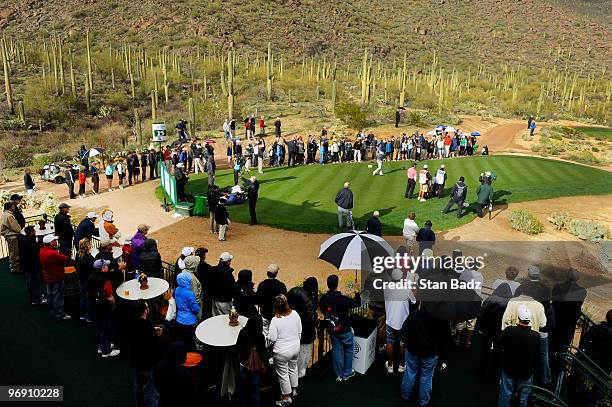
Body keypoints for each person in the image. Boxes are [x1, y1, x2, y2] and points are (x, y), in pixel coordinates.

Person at [400, 307, 449, 406]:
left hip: (413, 350)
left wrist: (405, 342)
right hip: (430, 354)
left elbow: (404, 330)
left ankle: (405, 395)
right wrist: (443, 358)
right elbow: (445, 341)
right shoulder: (443, 320)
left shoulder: (415, 314)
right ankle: (424, 401)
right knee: (426, 377)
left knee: (410, 373)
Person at [497, 306, 541, 407]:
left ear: (519, 318)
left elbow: (498, 345)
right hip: (526, 372)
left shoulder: (509, 331)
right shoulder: (535, 336)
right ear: (529, 320)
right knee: (523, 398)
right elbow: (538, 357)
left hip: (509, 369)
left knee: (506, 394)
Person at [319, 274, 360, 382]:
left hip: (332, 329)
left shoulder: (324, 297)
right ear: (337, 284)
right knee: (349, 349)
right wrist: (356, 291)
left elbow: (323, 310)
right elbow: (357, 303)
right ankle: (347, 372)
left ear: (328, 285)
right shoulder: (343, 299)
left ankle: (338, 375)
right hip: (345, 329)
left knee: (336, 349)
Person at [268, 294, 302, 407]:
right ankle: (294, 389)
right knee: (293, 367)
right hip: (295, 348)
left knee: (283, 375)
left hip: (282, 352)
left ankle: (286, 397)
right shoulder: (295, 314)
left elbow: (272, 338)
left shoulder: (275, 320)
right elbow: (299, 331)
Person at [128, 301, 162, 407]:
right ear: (144, 311)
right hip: (148, 365)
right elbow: (155, 347)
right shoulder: (147, 327)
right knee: (150, 392)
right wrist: (157, 336)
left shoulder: (130, 324)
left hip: (135, 363)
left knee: (138, 388)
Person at [287, 278, 319, 379]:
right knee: (304, 352)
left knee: (297, 352)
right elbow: (311, 316)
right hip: (306, 331)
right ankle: (300, 373)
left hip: (294, 328)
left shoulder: (296, 292)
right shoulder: (310, 298)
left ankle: (295, 372)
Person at [384, 269, 413, 374]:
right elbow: (413, 301)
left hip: (390, 320)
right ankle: (402, 365)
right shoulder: (406, 289)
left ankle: (390, 366)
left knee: (390, 343)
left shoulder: (386, 288)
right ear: (401, 278)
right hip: (403, 322)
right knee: (402, 344)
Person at [551, 269, 586, 354]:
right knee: (564, 347)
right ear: (577, 279)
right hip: (569, 324)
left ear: (567, 276)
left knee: (551, 345)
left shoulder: (558, 286)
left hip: (556, 320)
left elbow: (554, 300)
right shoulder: (582, 291)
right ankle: (559, 364)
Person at [237, 314, 267, 407]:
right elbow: (263, 352)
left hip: (243, 364)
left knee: (243, 388)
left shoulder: (243, 332)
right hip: (256, 367)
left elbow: (238, 347)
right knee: (255, 390)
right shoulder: (260, 336)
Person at [154, 343, 197, 407]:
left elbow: (157, 385)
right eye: (184, 353)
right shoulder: (185, 375)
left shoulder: (159, 366)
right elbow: (191, 396)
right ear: (180, 356)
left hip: (164, 400)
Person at [40, 235, 71, 319]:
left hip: (48, 276)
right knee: (58, 295)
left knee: (50, 294)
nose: (56, 242)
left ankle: (52, 310)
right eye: (54, 240)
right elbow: (65, 258)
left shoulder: (42, 251)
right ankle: (59, 313)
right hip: (57, 277)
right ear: (51, 243)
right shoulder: (53, 253)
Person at [257, 264, 288, 337]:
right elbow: (284, 300)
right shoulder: (281, 285)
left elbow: (258, 299)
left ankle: (266, 347)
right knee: (277, 334)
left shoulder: (262, 285)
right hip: (277, 314)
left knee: (265, 333)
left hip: (265, 313)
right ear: (276, 274)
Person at [174, 272, 200, 350]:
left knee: (182, 341)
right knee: (190, 342)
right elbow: (196, 309)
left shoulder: (177, 290)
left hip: (179, 319)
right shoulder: (190, 294)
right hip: (189, 321)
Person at [21, 225, 45, 305]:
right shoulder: (32, 244)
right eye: (34, 230)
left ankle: (36, 296)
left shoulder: (25, 240)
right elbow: (36, 255)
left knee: (31, 282)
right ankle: (36, 299)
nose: (35, 231)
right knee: (34, 282)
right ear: (31, 233)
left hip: (27, 266)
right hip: (33, 267)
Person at [582, 309, 612, 374]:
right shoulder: (598, 329)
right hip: (605, 365)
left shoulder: (597, 328)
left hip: (591, 359)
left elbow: (584, 339)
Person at [75, 238, 95, 322]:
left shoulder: (78, 255)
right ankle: (89, 316)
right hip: (88, 280)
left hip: (81, 278)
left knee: (83, 297)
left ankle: (82, 314)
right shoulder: (88, 257)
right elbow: (92, 268)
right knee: (89, 297)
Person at [210, 252, 235, 316]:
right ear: (228, 262)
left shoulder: (213, 269)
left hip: (214, 299)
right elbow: (232, 288)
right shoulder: (228, 274)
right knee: (226, 319)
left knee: (215, 317)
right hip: (225, 301)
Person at [1, 202, 22, 273]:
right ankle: (15, 268)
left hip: (8, 236)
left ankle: (12, 266)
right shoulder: (9, 216)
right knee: (15, 252)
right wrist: (20, 230)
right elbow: (16, 228)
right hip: (12, 237)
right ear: (10, 208)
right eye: (13, 207)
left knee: (12, 251)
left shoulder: (4, 214)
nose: (14, 208)